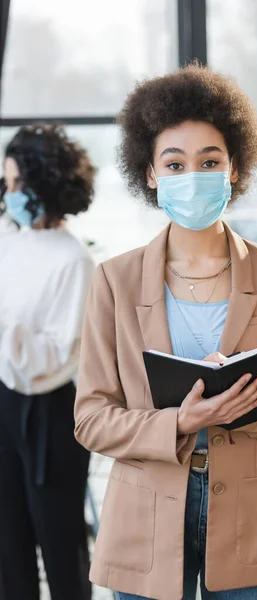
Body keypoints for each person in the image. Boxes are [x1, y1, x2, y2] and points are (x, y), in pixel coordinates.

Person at [74, 65, 257, 600]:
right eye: (175, 163)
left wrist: (243, 406)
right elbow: (91, 419)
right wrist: (180, 423)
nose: (193, 175)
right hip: (145, 513)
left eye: (209, 161)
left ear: (234, 168)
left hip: (250, 514)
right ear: (149, 174)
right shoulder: (114, 281)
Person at [0, 124, 96, 600]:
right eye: (7, 184)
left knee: (61, 547)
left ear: (46, 182)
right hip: (5, 404)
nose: (10, 194)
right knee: (8, 545)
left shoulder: (74, 260)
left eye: (19, 184)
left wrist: (6, 334)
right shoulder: (8, 240)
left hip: (54, 416)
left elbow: (57, 354)